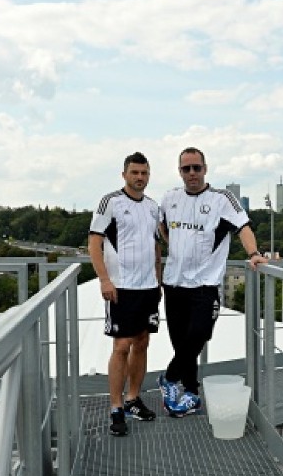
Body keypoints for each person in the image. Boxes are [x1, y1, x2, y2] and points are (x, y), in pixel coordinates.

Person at [157, 147, 267, 417]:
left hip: (205, 285)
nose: (192, 173)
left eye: (196, 168)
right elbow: (160, 227)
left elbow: (243, 227)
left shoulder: (222, 199)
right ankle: (191, 395)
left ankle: (169, 379)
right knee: (182, 344)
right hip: (173, 284)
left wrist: (253, 254)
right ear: (179, 171)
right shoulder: (169, 197)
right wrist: (173, 246)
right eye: (186, 169)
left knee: (198, 335)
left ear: (205, 169)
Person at [89, 151, 163, 436]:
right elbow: (94, 243)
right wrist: (104, 280)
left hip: (148, 287)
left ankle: (133, 398)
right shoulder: (111, 202)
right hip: (121, 287)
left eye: (144, 173)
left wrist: (158, 280)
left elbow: (157, 246)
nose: (140, 178)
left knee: (142, 342)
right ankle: (116, 407)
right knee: (121, 345)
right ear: (124, 175)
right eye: (135, 173)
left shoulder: (153, 207)